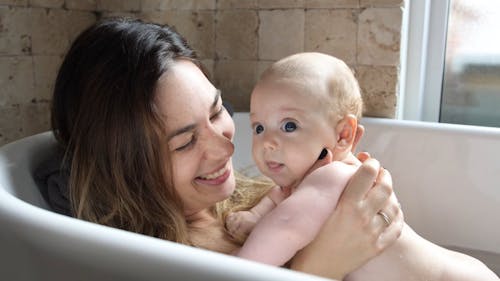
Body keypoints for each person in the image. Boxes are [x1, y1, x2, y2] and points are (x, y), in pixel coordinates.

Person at [47, 18, 405, 280]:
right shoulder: (159, 263)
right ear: (126, 169)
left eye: (218, 111)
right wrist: (318, 268)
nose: (226, 147)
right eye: (186, 142)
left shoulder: (262, 201)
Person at [226, 52, 499, 280]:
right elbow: (280, 204)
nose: (268, 142)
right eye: (259, 127)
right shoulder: (304, 185)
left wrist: (235, 265)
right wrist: (254, 217)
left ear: (343, 135)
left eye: (289, 125)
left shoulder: (333, 176)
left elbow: (286, 226)